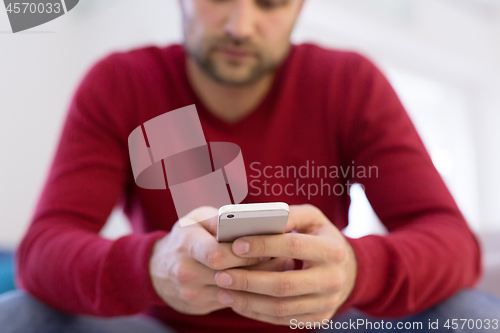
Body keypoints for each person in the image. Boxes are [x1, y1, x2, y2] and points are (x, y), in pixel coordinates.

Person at [1, 0, 499, 332]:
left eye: (270, 2)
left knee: (472, 314)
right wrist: (152, 269)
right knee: (19, 314)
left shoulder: (350, 82)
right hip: (162, 322)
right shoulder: (119, 82)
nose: (240, 26)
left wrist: (356, 271)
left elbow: (453, 243)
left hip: (318, 322)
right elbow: (42, 252)